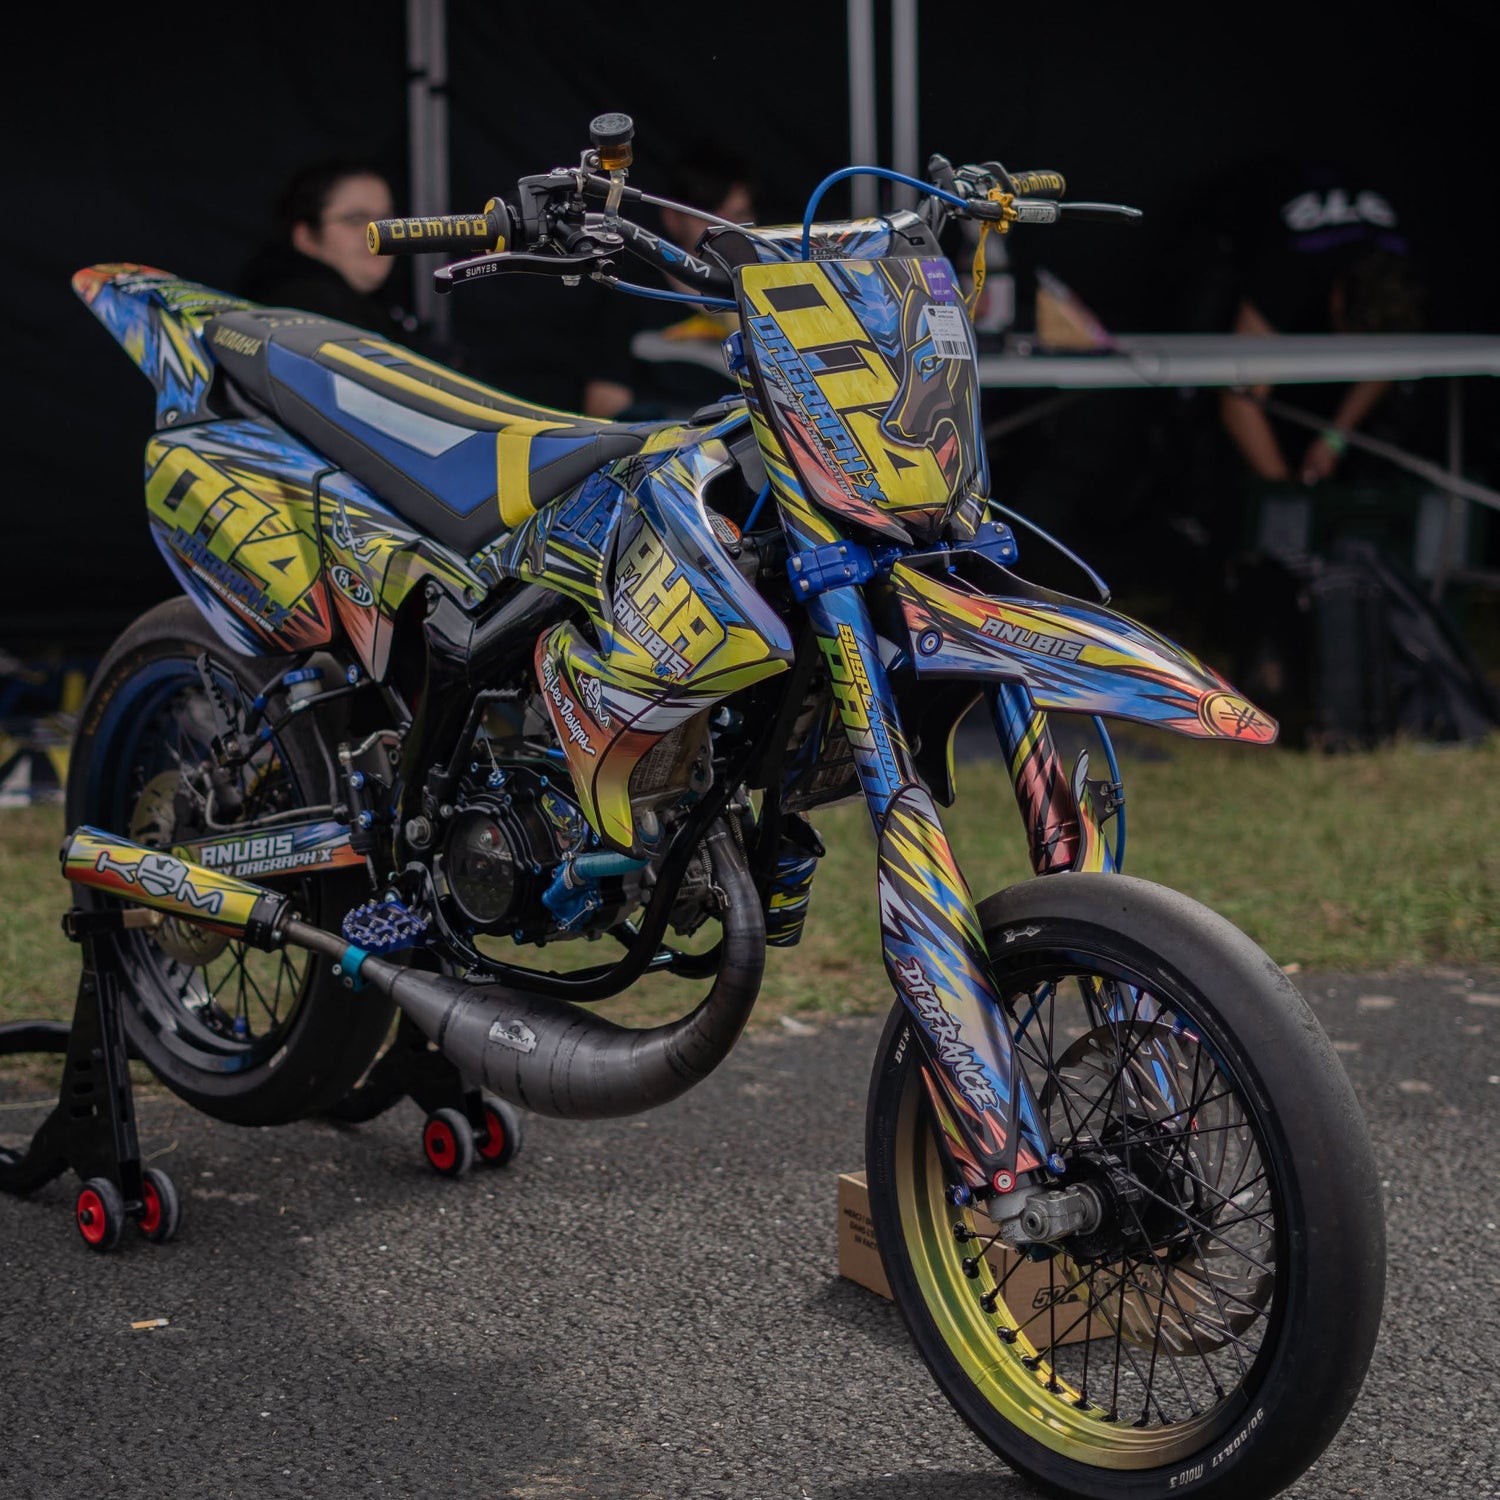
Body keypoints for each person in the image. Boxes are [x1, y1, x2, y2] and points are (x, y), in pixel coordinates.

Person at [1216, 161, 1426, 487]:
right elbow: (1238, 402)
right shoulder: (1287, 273)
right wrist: (1293, 499)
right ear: (1338, 302)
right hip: (1238, 228)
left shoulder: (1401, 265)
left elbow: (1389, 357)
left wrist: (1334, 439)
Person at [581, 144, 759, 422]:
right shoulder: (632, 294)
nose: (724, 230)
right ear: (672, 218)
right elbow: (603, 405)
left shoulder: (771, 296)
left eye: (737, 216)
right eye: (709, 217)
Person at [239, 159, 424, 343]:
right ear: (306, 237)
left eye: (387, 219)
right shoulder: (309, 314)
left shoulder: (380, 307)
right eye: (356, 220)